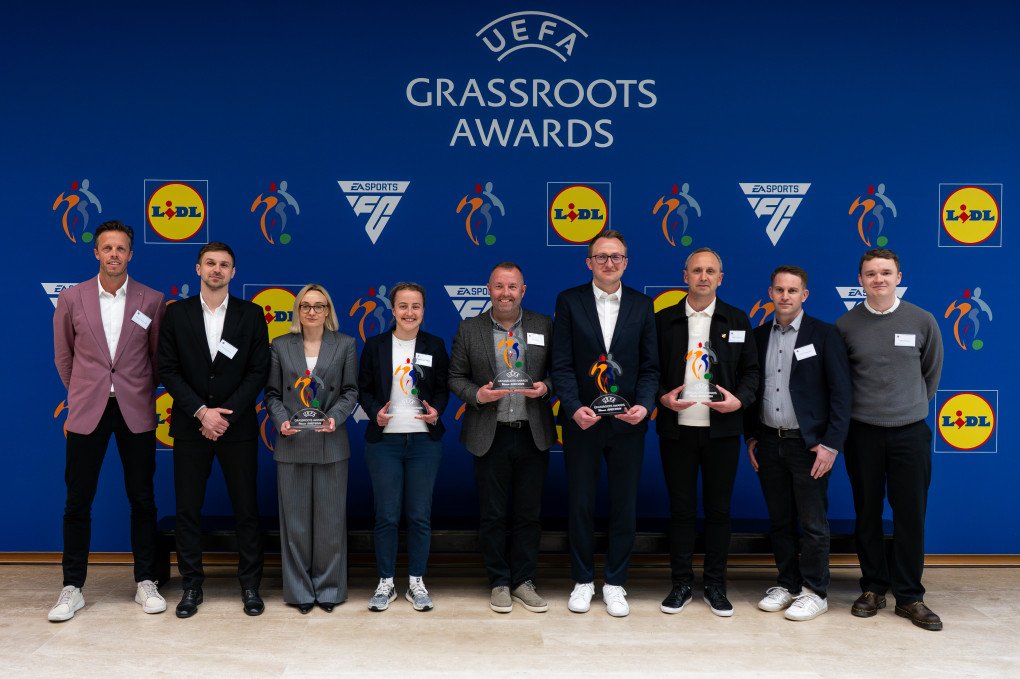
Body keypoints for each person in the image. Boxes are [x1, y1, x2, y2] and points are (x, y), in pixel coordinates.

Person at [49, 220, 167, 621]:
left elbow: (156, 360)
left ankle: (146, 581)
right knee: (77, 500)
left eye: (121, 248)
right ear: (95, 253)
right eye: (107, 248)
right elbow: (64, 357)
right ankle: (72, 587)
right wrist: (84, 390)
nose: (114, 254)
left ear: (131, 254)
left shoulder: (152, 300)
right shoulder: (72, 298)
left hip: (135, 410)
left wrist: (133, 389)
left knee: (143, 499)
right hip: (87, 410)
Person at [158, 242, 270, 618]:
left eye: (224, 265)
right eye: (210, 263)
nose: (217, 270)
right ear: (198, 269)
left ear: (233, 272)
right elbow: (168, 370)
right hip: (191, 426)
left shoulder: (252, 314)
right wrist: (202, 412)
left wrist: (224, 416)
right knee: (188, 510)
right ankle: (191, 586)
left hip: (236, 428)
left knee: (246, 510)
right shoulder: (176, 315)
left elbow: (258, 371)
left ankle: (250, 586)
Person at [550, 230, 659, 617]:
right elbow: (560, 364)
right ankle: (582, 580)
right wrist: (573, 406)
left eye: (616, 257)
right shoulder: (569, 302)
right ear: (589, 263)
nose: (609, 263)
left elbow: (650, 367)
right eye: (601, 257)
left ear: (626, 262)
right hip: (583, 421)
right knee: (580, 502)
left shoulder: (643, 306)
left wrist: (645, 406)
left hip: (628, 424)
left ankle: (615, 582)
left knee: (623, 505)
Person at [836, 248, 944, 630]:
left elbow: (930, 374)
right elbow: (842, 382)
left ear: (899, 276)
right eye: (870, 273)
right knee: (867, 512)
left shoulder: (922, 320)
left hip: (909, 432)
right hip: (862, 432)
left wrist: (907, 407)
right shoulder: (846, 325)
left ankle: (910, 596)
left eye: (885, 272)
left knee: (910, 515)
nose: (878, 279)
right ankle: (873, 588)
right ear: (860, 280)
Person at [744, 265, 852, 621]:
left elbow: (841, 395)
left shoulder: (824, 335)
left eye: (793, 291)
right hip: (769, 442)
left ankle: (815, 591)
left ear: (804, 295)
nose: (785, 296)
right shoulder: (758, 336)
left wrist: (830, 444)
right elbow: (752, 389)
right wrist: (751, 436)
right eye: (779, 290)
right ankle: (788, 584)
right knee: (780, 520)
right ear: (771, 293)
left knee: (812, 523)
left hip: (808, 446)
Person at [655, 247, 759, 617]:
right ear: (685, 276)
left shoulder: (737, 319)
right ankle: (681, 583)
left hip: (722, 432)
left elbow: (752, 373)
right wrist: (661, 398)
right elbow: (649, 372)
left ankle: (715, 585)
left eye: (710, 271)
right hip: (677, 430)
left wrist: (740, 401)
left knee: (719, 511)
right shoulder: (664, 321)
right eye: (696, 270)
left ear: (720, 278)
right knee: (681, 511)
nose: (703, 276)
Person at [448, 262, 556, 614]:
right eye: (499, 286)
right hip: (488, 434)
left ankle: (524, 580)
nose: (505, 293)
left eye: (512, 287)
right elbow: (455, 377)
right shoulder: (470, 329)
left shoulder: (544, 325)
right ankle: (498, 581)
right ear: (488, 289)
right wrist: (479, 395)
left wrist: (545, 388)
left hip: (532, 433)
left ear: (523, 290)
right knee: (493, 514)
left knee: (529, 514)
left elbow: (559, 372)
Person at [264, 284, 358, 614]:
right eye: (305, 306)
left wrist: (334, 418)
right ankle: (301, 591)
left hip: (331, 442)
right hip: (292, 444)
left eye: (319, 306)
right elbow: (272, 395)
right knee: (296, 525)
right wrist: (281, 422)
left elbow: (350, 392)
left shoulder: (345, 344)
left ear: (328, 311)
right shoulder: (280, 345)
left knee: (331, 523)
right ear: (297, 311)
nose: (312, 312)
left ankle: (330, 589)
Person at [357, 282, 449, 612]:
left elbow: (442, 389)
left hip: (424, 441)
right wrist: (374, 413)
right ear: (393, 310)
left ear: (424, 311)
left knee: (420, 515)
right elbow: (363, 389)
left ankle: (415, 581)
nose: (410, 312)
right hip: (385, 442)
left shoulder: (434, 345)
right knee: (386, 516)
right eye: (403, 306)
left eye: (416, 306)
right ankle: (385, 582)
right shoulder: (376, 345)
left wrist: (437, 409)